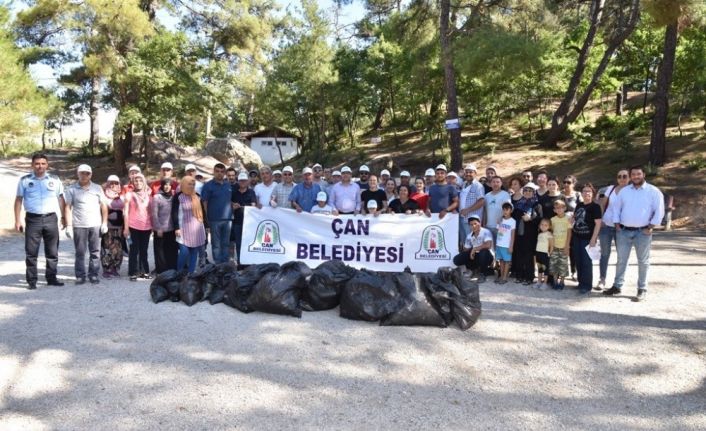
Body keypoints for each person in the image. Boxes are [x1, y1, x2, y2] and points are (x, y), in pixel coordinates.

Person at [604, 165, 664, 302]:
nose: (636, 177)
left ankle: (642, 289)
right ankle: (617, 286)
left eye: (638, 174)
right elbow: (616, 208)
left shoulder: (653, 191)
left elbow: (659, 211)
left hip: (643, 232)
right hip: (623, 231)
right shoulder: (625, 191)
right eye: (633, 174)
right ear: (631, 176)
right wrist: (617, 223)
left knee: (643, 261)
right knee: (621, 260)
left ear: (644, 175)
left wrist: (651, 226)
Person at [14, 153, 66, 289]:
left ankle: (51, 278)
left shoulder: (55, 180)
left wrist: (64, 217)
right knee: (31, 252)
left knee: (52, 251)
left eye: (43, 163)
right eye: (37, 164)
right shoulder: (24, 180)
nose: (40, 166)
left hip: (50, 218)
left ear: (47, 165)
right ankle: (32, 281)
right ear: (32, 165)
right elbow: (19, 200)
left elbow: (61, 199)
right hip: (33, 219)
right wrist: (17, 220)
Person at [64, 164, 109, 285]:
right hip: (79, 225)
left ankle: (93, 274)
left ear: (91, 175)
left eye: (87, 173)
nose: (84, 176)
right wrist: (68, 225)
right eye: (82, 173)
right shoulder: (71, 189)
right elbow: (68, 207)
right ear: (78, 174)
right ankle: (80, 275)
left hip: (95, 224)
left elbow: (103, 206)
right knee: (80, 252)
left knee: (95, 251)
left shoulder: (97, 188)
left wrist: (104, 223)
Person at [596, 169, 630, 290]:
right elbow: (601, 204)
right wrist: (601, 220)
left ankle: (618, 281)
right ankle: (602, 279)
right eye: (619, 176)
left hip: (622, 228)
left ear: (629, 178)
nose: (622, 178)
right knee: (605, 254)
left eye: (625, 176)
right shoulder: (611, 189)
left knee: (622, 255)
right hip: (606, 226)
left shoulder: (632, 191)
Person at [571, 183, 602, 294]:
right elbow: (574, 218)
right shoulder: (579, 205)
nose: (586, 193)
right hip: (576, 236)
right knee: (578, 261)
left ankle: (587, 285)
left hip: (587, 238)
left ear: (592, 193)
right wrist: (571, 220)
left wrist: (593, 238)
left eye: (588, 191)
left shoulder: (595, 207)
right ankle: (581, 283)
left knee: (586, 262)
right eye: (584, 191)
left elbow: (598, 224)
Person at [173, 176, 207, 274]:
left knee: (194, 252)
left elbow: (202, 212)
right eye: (189, 184)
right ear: (183, 184)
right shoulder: (178, 196)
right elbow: (174, 213)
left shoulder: (197, 196)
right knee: (184, 252)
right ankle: (178, 273)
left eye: (193, 184)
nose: (191, 186)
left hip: (196, 228)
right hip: (183, 228)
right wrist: (176, 228)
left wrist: (206, 225)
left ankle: (191, 274)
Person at [200, 163, 233, 264]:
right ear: (214, 172)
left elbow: (229, 200)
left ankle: (225, 264)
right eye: (217, 171)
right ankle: (218, 265)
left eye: (222, 172)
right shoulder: (208, 186)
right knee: (216, 244)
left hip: (228, 219)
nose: (219, 174)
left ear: (224, 173)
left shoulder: (228, 185)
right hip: (214, 219)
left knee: (226, 243)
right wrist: (207, 218)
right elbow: (205, 203)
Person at [122, 173, 152, 281]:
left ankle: (144, 271)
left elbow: (150, 212)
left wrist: (152, 225)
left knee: (144, 250)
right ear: (132, 183)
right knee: (134, 250)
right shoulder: (129, 195)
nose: (138, 183)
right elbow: (125, 212)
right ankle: (133, 271)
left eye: (140, 181)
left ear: (144, 182)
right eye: (136, 181)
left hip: (146, 227)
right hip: (133, 226)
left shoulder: (149, 195)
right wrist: (126, 228)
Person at [512, 185, 541, 285]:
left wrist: (531, 219)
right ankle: (519, 275)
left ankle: (529, 277)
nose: (527, 192)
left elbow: (540, 219)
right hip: (519, 234)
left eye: (530, 191)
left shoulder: (536, 205)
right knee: (519, 255)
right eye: (526, 190)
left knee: (529, 257)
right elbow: (513, 217)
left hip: (530, 235)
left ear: (533, 193)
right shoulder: (518, 204)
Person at [453, 215, 494, 282]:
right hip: (476, 256)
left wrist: (474, 249)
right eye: (471, 224)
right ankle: (472, 270)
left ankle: (482, 274)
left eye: (475, 223)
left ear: (479, 223)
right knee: (457, 259)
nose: (473, 226)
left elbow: (488, 245)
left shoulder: (486, 232)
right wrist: (465, 250)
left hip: (488, 257)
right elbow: (466, 249)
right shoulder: (469, 236)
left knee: (483, 252)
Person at [151, 179, 178, 273]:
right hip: (160, 229)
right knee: (160, 251)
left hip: (171, 228)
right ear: (162, 186)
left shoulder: (174, 196)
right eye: (165, 185)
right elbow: (154, 214)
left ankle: (172, 270)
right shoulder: (157, 197)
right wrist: (158, 228)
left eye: (169, 185)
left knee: (171, 250)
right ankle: (161, 271)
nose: (167, 187)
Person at [101, 175, 125, 278]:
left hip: (120, 227)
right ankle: (107, 268)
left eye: (116, 183)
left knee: (118, 249)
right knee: (107, 248)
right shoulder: (103, 195)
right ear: (107, 183)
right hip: (108, 226)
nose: (114, 185)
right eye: (111, 183)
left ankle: (115, 267)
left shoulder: (122, 196)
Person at [231, 172, 257, 266]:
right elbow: (230, 204)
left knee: (249, 243)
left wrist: (247, 207)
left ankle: (248, 263)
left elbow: (254, 205)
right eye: (241, 181)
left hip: (249, 223)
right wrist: (233, 206)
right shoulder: (234, 193)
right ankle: (240, 263)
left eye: (244, 181)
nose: (242, 182)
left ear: (247, 181)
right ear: (238, 181)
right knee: (238, 244)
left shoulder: (251, 192)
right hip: (237, 222)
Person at [459, 163, 485, 242]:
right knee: (465, 241)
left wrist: (468, 210)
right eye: (466, 172)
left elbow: (481, 201)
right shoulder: (464, 184)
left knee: (473, 241)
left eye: (470, 172)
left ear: (475, 173)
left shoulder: (478, 186)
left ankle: (472, 254)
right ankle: (466, 254)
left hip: (472, 220)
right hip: (462, 218)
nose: (468, 174)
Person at [549, 199, 571, 290]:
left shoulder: (568, 219)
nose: (559, 210)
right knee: (553, 264)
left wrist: (567, 246)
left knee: (563, 265)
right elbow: (551, 232)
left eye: (561, 208)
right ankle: (555, 281)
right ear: (554, 210)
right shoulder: (553, 219)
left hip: (563, 246)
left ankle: (562, 281)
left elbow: (569, 232)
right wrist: (551, 246)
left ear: (565, 208)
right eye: (557, 208)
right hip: (554, 246)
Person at [483, 176, 511, 241]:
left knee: (500, 247)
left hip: (501, 226)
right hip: (488, 227)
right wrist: (484, 224)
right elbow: (485, 211)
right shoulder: (487, 196)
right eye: (493, 182)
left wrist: (503, 219)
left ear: (501, 184)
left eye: (497, 182)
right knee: (490, 249)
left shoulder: (505, 194)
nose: (495, 184)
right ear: (490, 184)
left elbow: (508, 209)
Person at [495, 203, 516, 284]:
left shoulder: (513, 221)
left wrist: (511, 246)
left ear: (511, 210)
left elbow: (513, 235)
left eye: (507, 209)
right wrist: (498, 222)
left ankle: (505, 277)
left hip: (506, 245)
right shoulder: (500, 219)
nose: (505, 211)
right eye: (503, 209)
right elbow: (498, 231)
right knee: (501, 261)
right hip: (499, 244)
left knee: (507, 261)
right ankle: (501, 276)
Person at [534, 219, 553, 290]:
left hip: (545, 254)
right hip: (538, 253)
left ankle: (545, 283)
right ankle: (539, 282)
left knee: (545, 269)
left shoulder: (549, 234)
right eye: (542, 224)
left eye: (546, 225)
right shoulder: (539, 234)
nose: (543, 226)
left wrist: (550, 253)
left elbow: (551, 245)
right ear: (539, 225)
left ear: (549, 226)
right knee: (540, 268)